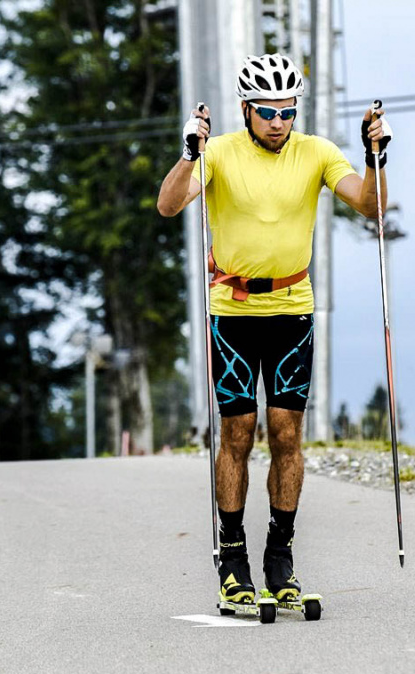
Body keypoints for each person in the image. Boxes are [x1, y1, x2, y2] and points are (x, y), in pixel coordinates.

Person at [157, 53, 392, 605]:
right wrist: (189, 155)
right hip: (233, 312)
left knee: (286, 434)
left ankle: (280, 558)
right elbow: (169, 206)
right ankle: (232, 559)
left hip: (292, 307)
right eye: (266, 111)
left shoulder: (315, 153)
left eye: (287, 111)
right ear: (246, 109)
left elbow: (371, 206)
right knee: (237, 433)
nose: (278, 122)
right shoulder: (218, 154)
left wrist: (374, 158)